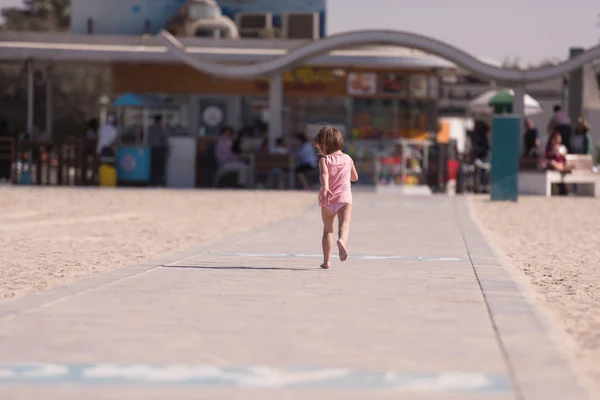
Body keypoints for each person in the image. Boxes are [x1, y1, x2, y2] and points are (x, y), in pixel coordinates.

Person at [313, 126, 359, 269]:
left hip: (328, 199)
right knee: (344, 224)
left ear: (325, 144)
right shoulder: (348, 159)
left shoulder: (324, 160)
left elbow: (324, 175)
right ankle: (342, 241)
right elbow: (355, 177)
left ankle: (326, 261)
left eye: (319, 147)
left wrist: (326, 187)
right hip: (344, 199)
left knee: (328, 230)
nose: (318, 150)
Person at [147, 114, 169, 186]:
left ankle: (152, 182)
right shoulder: (161, 128)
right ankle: (159, 182)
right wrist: (167, 149)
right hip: (160, 149)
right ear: (160, 121)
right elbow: (164, 140)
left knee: (153, 166)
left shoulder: (150, 128)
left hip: (152, 149)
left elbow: (148, 139)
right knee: (160, 167)